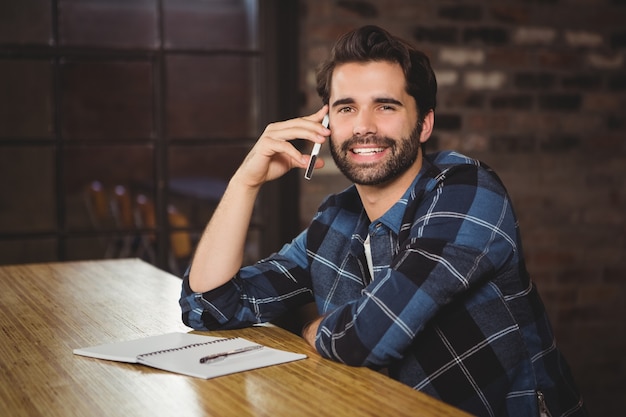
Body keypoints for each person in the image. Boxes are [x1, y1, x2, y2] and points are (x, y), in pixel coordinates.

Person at [179, 25, 587, 417]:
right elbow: (210, 307)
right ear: (326, 127)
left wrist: (311, 330)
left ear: (424, 123)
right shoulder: (336, 220)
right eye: (346, 108)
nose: (364, 127)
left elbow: (370, 336)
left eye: (385, 106)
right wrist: (245, 181)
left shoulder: (468, 191)